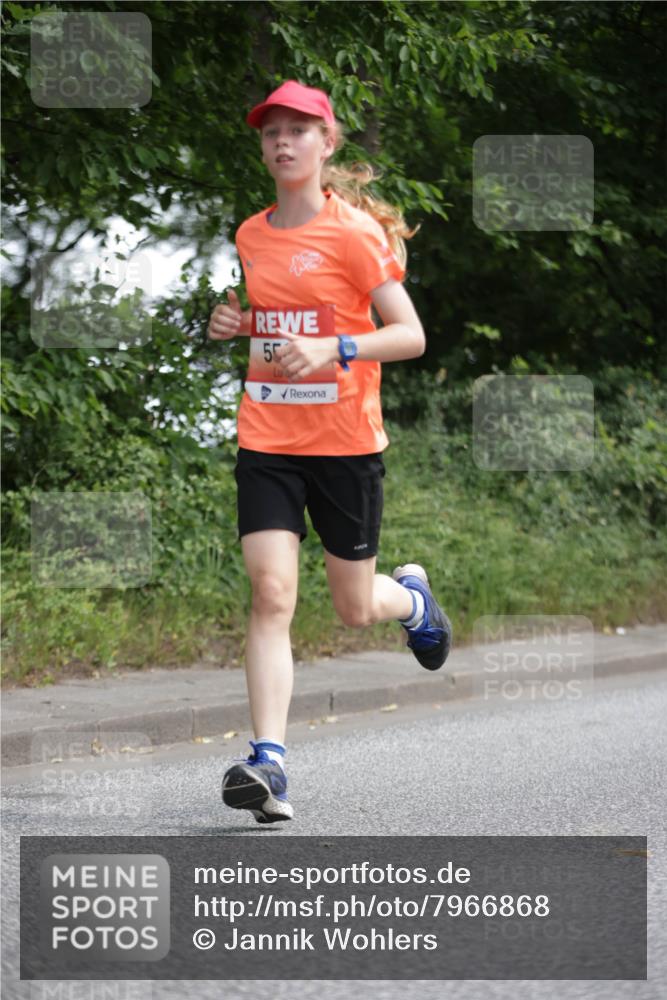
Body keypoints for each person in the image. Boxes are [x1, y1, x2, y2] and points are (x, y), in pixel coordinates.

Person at [208, 80, 452, 824]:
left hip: (345, 444)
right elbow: (280, 320)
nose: (282, 142)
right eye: (270, 131)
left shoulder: (353, 234)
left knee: (352, 608)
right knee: (271, 594)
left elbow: (408, 336)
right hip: (268, 439)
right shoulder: (252, 233)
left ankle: (410, 601)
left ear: (327, 144)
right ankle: (269, 765)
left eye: (298, 131)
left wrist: (334, 348)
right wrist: (238, 322)